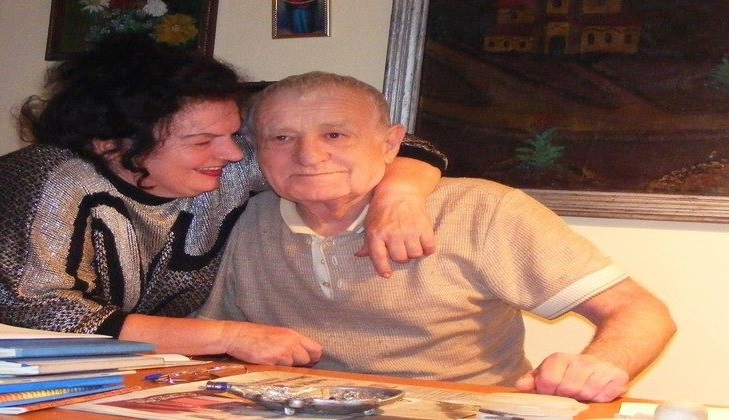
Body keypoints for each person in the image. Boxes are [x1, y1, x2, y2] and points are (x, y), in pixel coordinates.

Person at [0, 36, 447, 365]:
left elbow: (395, 145)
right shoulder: (42, 181)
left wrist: (399, 194)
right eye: (202, 141)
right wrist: (228, 336)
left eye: (234, 133)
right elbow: (42, 314)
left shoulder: (224, 166)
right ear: (112, 144)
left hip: (74, 377)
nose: (234, 153)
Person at [197, 71, 676, 402]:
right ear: (256, 150)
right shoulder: (238, 217)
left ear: (391, 143)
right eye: (282, 138)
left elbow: (638, 311)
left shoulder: (481, 210)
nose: (309, 156)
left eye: (335, 135)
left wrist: (599, 364)